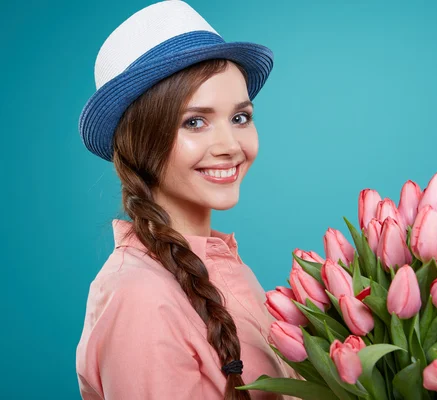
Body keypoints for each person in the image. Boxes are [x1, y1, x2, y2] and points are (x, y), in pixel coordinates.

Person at [75, 1, 298, 399]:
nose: (229, 145)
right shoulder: (140, 300)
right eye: (194, 121)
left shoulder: (216, 262)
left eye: (240, 117)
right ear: (140, 142)